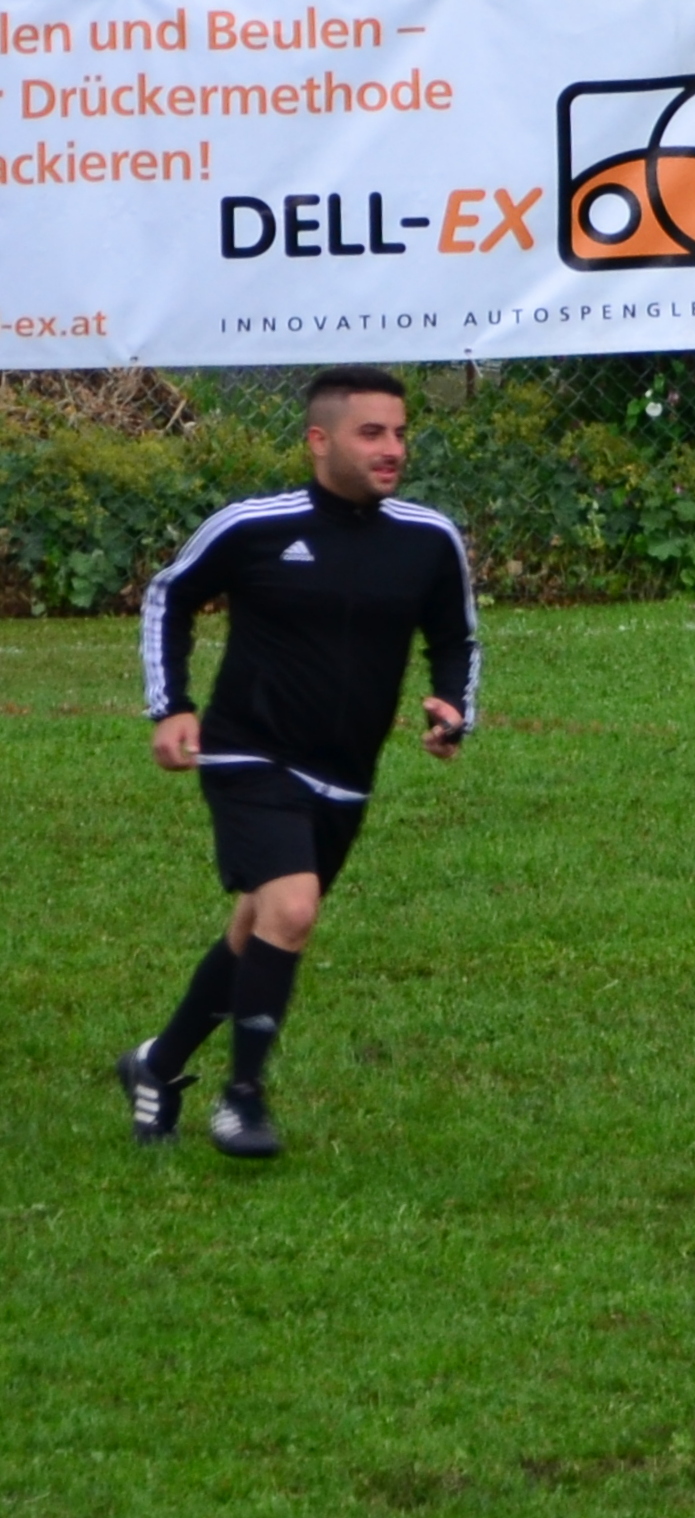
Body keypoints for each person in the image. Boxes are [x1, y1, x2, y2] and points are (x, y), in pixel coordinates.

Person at [120, 365, 478, 1161]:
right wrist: (171, 704)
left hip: (345, 770)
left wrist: (454, 706)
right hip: (248, 751)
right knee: (292, 909)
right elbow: (168, 595)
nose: (392, 449)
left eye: (400, 432)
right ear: (320, 441)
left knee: (259, 926)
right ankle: (242, 1098)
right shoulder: (254, 525)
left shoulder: (428, 538)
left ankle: (157, 1063)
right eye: (371, 432)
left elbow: (455, 637)